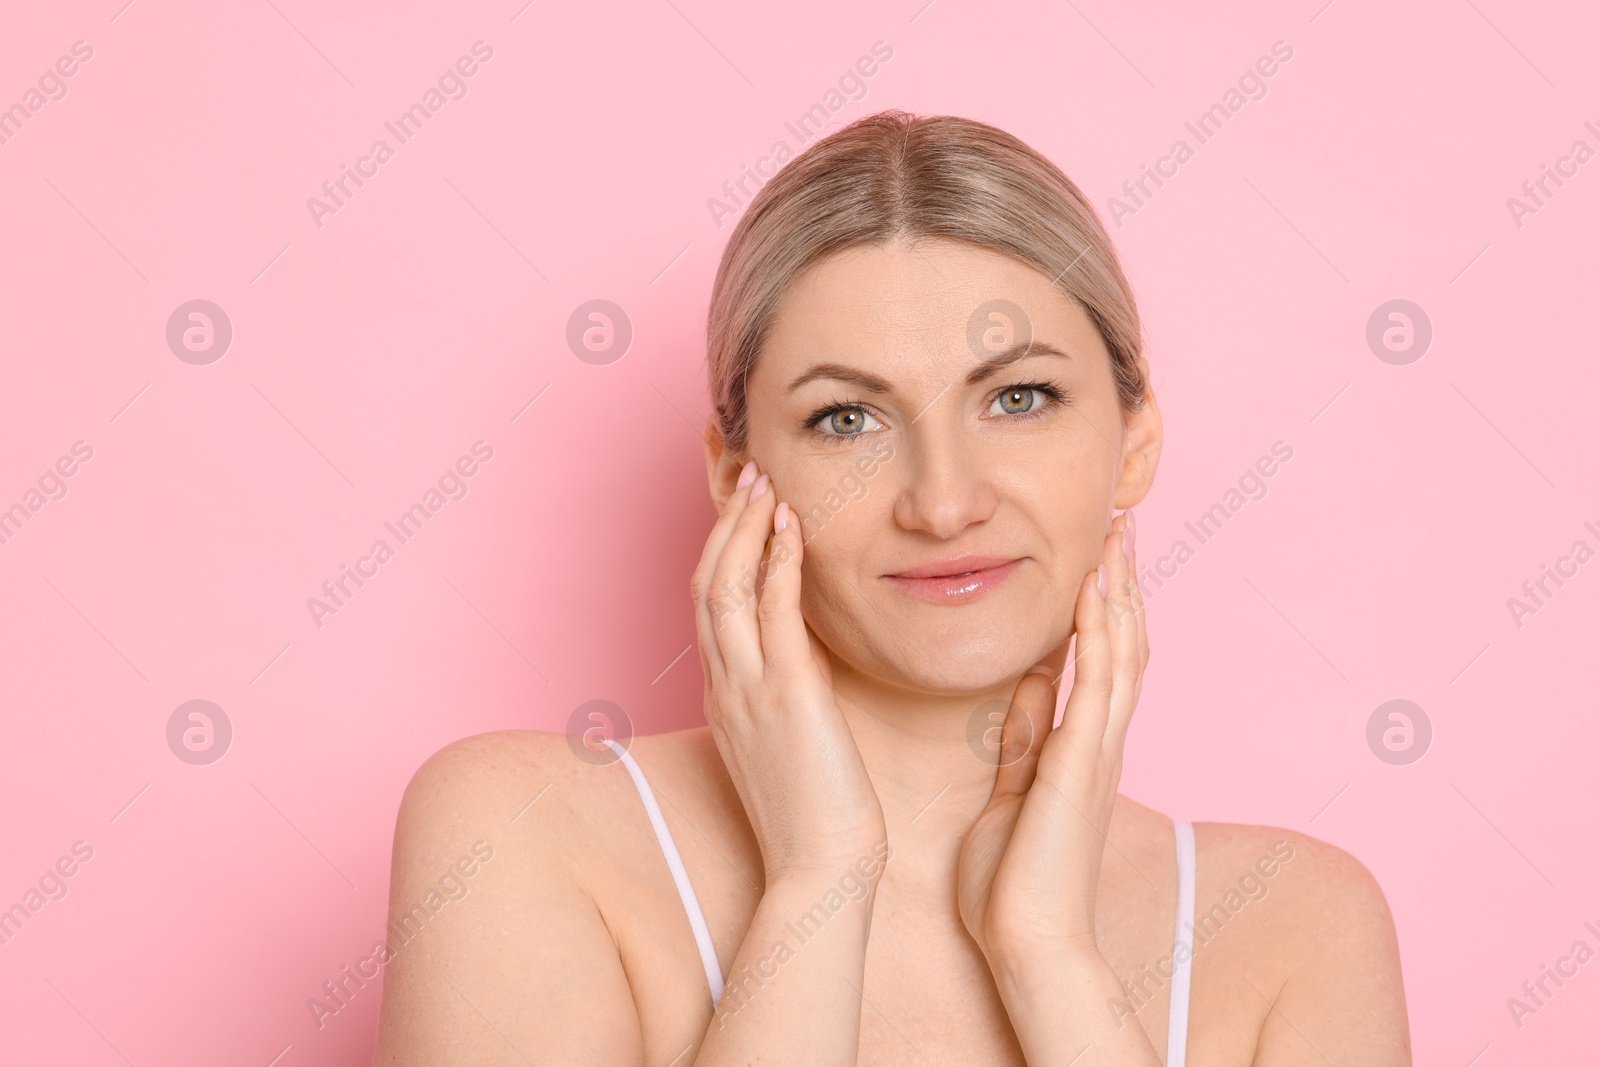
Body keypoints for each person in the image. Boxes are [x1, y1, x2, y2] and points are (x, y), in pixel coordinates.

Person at [371, 109, 1410, 1065]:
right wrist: (818, 881)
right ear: (740, 476)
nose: (942, 501)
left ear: (1133, 443)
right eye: (846, 419)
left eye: (1019, 396)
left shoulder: (1295, 924)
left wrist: (1048, 954)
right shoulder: (520, 830)